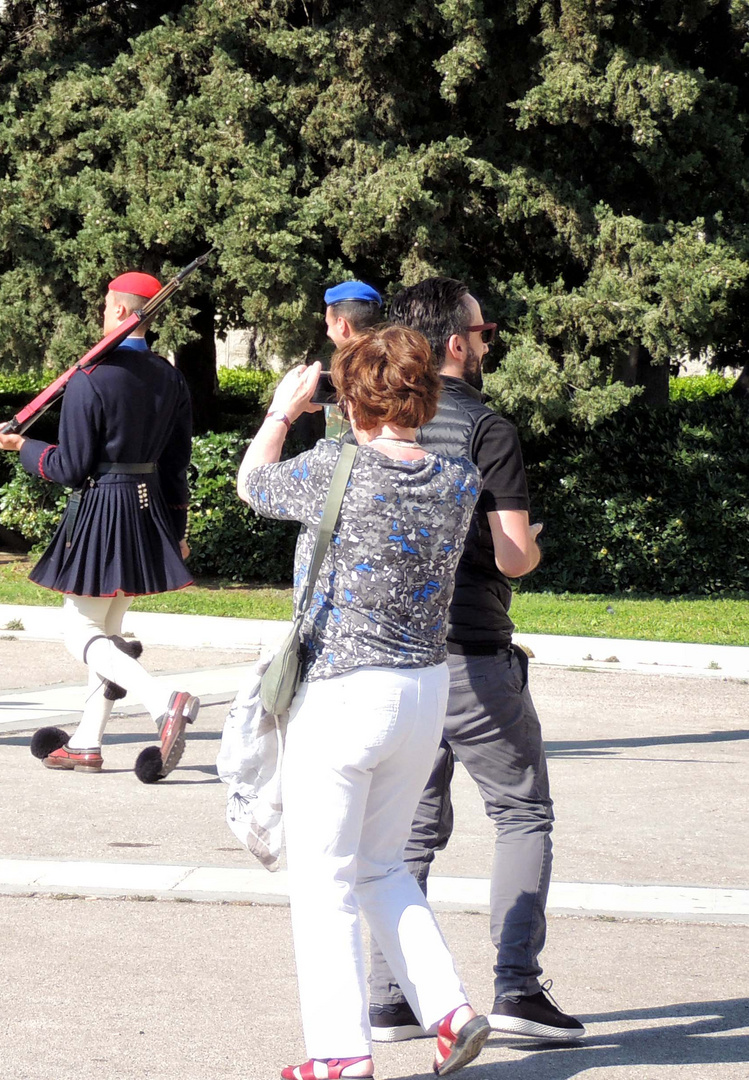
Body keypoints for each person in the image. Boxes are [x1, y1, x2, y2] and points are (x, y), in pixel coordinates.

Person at [239, 325, 491, 1079]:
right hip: (422, 690)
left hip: (344, 692)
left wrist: (282, 412)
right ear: (426, 395)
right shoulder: (457, 480)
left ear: (350, 398)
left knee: (322, 882)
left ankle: (340, 1057)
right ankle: (448, 1011)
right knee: (381, 867)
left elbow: (251, 485)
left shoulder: (330, 467)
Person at [364, 277, 583, 1043]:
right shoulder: (486, 427)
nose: (487, 343)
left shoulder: (366, 422)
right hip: (472, 651)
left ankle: (388, 996)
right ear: (456, 342)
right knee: (522, 811)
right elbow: (513, 555)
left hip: (389, 657)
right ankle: (517, 989)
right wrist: (535, 543)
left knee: (407, 828)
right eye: (483, 332)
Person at [0, 272, 200, 782]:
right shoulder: (169, 377)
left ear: (125, 314)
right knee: (108, 631)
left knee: (79, 630)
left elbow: (71, 467)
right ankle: (86, 741)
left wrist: (25, 450)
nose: (101, 315)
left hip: (103, 506)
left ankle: (162, 701)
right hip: (147, 508)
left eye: (108, 307)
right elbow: (176, 463)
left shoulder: (91, 376)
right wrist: (176, 527)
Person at [324, 280, 383, 347]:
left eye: (328, 324)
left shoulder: (352, 357)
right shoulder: (393, 355)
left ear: (341, 324)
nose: (328, 332)